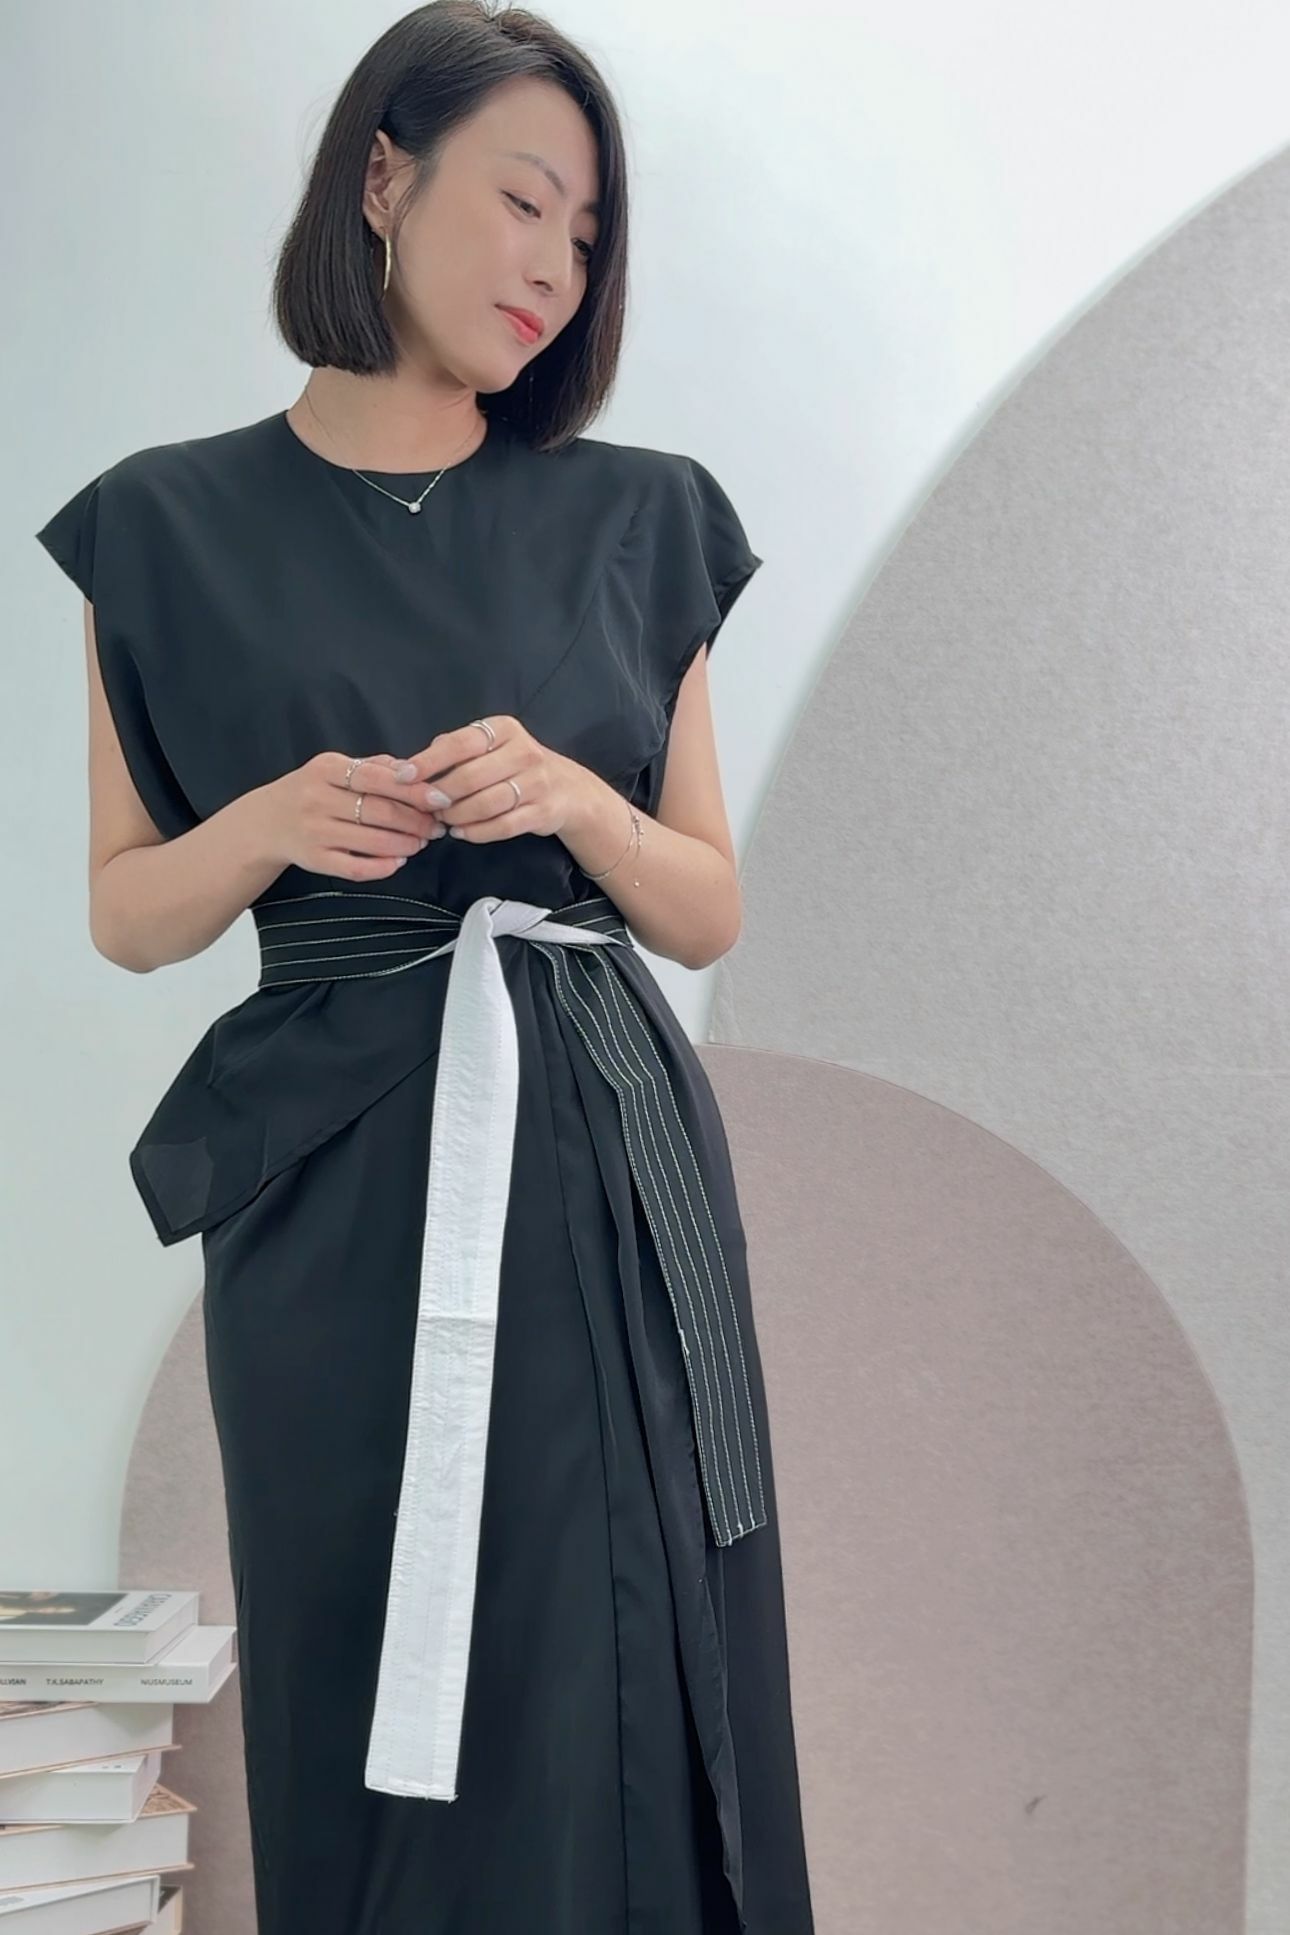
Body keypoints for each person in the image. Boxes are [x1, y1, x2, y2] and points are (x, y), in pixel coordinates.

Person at [34, 4, 815, 1931]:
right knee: (355, 1619)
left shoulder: (640, 516)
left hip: (593, 1147)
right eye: (523, 202)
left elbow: (704, 907)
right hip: (332, 1171)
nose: (556, 266)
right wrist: (269, 824)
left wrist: (576, 800)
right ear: (382, 180)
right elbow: (128, 910)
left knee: (607, 1636)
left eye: (589, 235)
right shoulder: (162, 523)